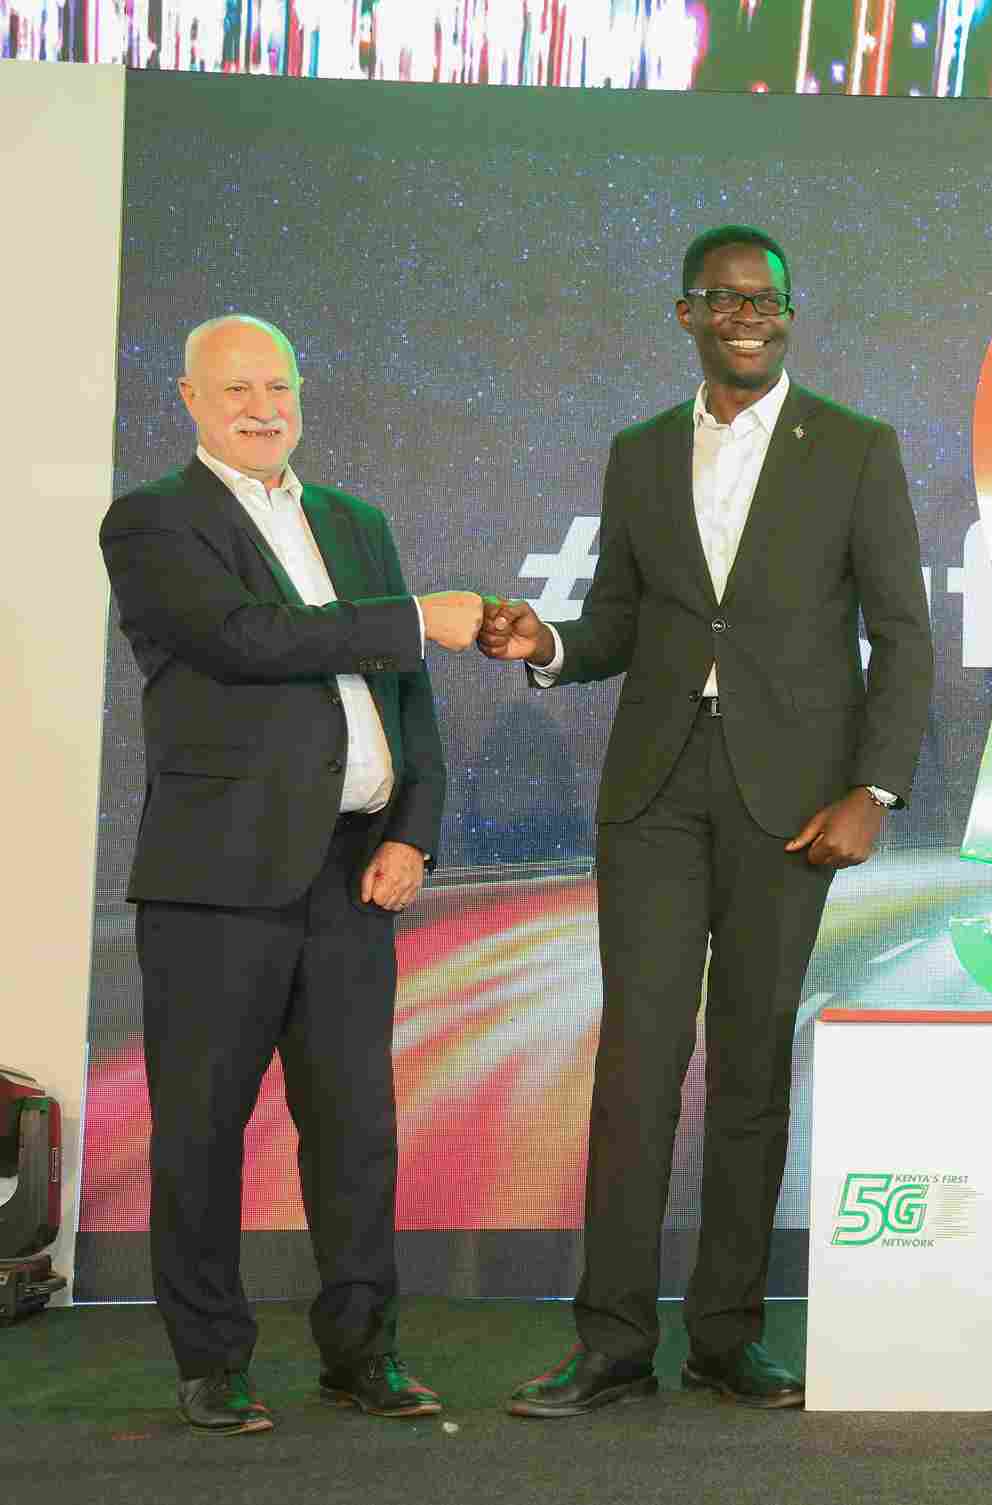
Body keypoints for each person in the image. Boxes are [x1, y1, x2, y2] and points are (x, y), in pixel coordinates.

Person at [480, 225, 934, 1416]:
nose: (749, 314)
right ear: (685, 314)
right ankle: (612, 1343)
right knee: (635, 1065)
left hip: (793, 803)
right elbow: (620, 619)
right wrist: (551, 648)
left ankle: (729, 1335)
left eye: (768, 299)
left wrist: (872, 789)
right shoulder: (637, 453)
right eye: (725, 299)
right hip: (654, 794)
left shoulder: (853, 446)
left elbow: (904, 632)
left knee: (750, 1062)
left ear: (789, 311)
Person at [99, 315, 485, 1436]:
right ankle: (213, 1360)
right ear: (187, 399)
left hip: (351, 876)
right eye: (235, 389)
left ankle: (362, 1353)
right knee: (203, 1131)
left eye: (278, 384)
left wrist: (414, 827)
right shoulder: (154, 521)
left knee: (357, 1128)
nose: (261, 406)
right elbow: (246, 637)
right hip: (215, 884)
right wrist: (415, 619)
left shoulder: (357, 523)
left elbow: (407, 696)